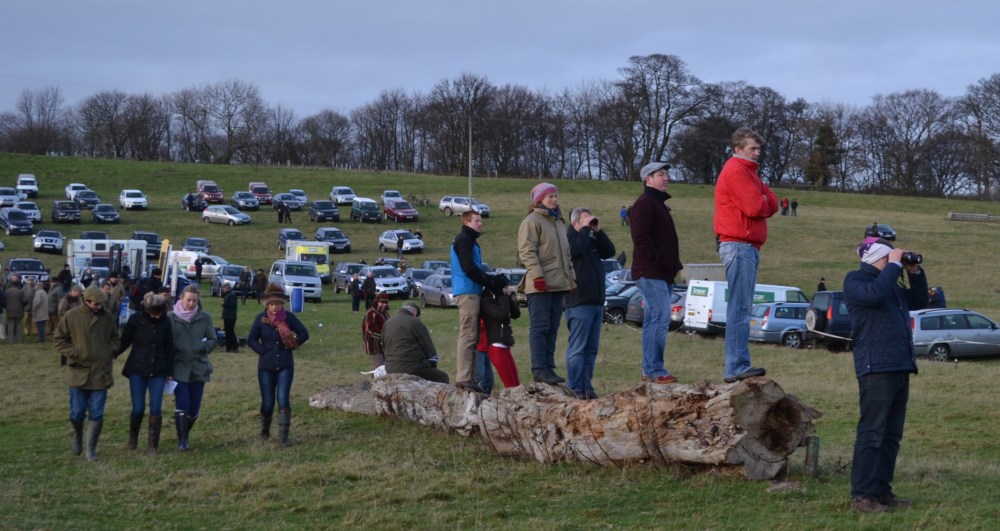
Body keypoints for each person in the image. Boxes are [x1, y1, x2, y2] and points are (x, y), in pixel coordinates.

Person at [844, 237, 927, 513]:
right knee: (872, 433)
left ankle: (881, 491)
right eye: (889, 257)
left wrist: (914, 272)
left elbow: (918, 300)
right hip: (876, 367)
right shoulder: (856, 280)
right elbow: (874, 295)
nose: (896, 262)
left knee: (891, 435)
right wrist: (893, 265)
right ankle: (862, 496)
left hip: (900, 366)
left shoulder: (890, 282)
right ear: (878, 258)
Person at [713, 127, 778, 383]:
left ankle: (738, 365)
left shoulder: (749, 172)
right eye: (752, 148)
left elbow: (772, 201)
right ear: (737, 149)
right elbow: (756, 206)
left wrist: (764, 198)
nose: (756, 152)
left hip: (747, 245)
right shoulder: (737, 171)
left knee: (742, 306)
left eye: (758, 148)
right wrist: (763, 199)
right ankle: (736, 367)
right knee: (740, 308)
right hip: (739, 245)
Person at [630, 163, 684, 384]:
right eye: (661, 174)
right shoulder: (644, 204)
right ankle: (654, 369)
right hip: (651, 272)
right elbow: (641, 239)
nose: (666, 178)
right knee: (660, 319)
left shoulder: (657, 204)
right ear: (648, 180)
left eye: (667, 174)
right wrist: (661, 261)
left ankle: (649, 369)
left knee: (654, 320)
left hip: (661, 273)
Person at [54, 285, 120, 462]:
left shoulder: (108, 318)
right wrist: (75, 353)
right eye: (97, 304)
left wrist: (110, 351)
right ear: (86, 301)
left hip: (101, 373)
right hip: (78, 372)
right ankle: (77, 434)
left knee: (96, 413)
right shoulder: (72, 316)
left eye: (101, 304)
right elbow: (59, 340)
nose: (100, 307)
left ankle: (91, 449)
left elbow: (115, 337)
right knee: (76, 413)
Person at [518, 182, 575, 384]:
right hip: (540, 285)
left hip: (558, 284)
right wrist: (538, 276)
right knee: (540, 327)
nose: (554, 199)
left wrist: (571, 278)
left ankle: (549, 368)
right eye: (550, 196)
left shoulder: (559, 221)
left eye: (555, 196)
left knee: (552, 328)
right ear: (539, 199)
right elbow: (527, 251)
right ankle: (539, 369)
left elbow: (566, 255)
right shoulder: (532, 221)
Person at [248, 284, 309, 446]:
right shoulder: (261, 319)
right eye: (271, 304)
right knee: (268, 403)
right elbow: (251, 339)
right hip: (266, 367)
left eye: (278, 304)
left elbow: (304, 333)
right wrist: (263, 351)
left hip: (285, 365)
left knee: (283, 399)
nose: (275, 307)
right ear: (267, 304)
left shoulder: (289, 318)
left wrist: (293, 343)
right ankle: (265, 430)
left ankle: (283, 437)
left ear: (282, 304)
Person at [565, 207, 616, 399]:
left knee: (591, 348)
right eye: (586, 221)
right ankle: (574, 387)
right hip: (578, 301)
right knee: (578, 347)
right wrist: (585, 231)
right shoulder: (570, 238)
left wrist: (598, 231)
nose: (589, 225)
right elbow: (575, 250)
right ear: (576, 223)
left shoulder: (590, 238)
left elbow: (609, 251)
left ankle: (586, 386)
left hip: (595, 301)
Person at [118, 291, 174, 455]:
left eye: (159, 313)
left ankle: (152, 446)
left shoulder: (166, 322)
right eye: (153, 313)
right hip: (137, 369)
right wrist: (111, 354)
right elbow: (124, 342)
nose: (156, 316)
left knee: (156, 408)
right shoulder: (135, 320)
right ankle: (133, 436)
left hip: (158, 370)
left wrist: (170, 371)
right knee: (138, 408)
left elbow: (169, 347)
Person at [451, 211, 497, 393]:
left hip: (472, 290)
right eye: (477, 220)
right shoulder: (464, 239)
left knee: (473, 335)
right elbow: (469, 268)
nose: (481, 224)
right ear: (467, 222)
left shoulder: (469, 240)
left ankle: (468, 377)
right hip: (468, 291)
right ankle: (464, 377)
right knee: (468, 334)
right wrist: (490, 280)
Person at [168, 284, 217, 452]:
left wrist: (202, 347)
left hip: (198, 368)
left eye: (194, 301)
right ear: (181, 299)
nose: (190, 303)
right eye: (188, 300)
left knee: (194, 408)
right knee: (183, 402)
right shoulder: (170, 317)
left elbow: (213, 339)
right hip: (178, 367)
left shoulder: (205, 317)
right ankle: (183, 442)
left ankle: (183, 433)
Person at [381, 302, 449, 383]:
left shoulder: (387, 323)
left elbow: (383, 346)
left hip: (390, 368)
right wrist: (433, 365)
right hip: (412, 368)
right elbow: (428, 348)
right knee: (442, 377)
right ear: (414, 312)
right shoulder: (415, 322)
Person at [477, 274, 521, 393]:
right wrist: (501, 295)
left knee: (517, 385)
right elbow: (503, 315)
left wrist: (506, 296)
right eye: (504, 287)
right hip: (496, 348)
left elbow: (516, 314)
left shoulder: (499, 297)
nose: (506, 289)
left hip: (505, 346)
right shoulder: (486, 300)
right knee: (510, 386)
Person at [362, 293, 391, 369]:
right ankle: (375, 380)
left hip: (384, 344)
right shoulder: (371, 313)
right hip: (374, 344)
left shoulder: (385, 313)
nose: (384, 304)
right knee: (379, 366)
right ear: (377, 302)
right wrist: (383, 336)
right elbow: (369, 329)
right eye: (382, 302)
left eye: (386, 302)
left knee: (385, 366)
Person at [3, 274, 28, 344]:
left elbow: (3, 302)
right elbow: (25, 301)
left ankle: (10, 340)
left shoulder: (6, 292)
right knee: (18, 325)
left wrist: (6, 307)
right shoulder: (20, 292)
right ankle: (18, 340)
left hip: (9, 311)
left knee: (10, 326)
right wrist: (22, 307)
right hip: (19, 311)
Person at [221, 283, 239, 352]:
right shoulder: (227, 294)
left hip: (231, 317)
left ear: (227, 287)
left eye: (224, 288)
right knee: (227, 332)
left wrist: (224, 304)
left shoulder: (232, 295)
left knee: (230, 332)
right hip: (227, 316)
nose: (223, 289)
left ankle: (235, 347)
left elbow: (232, 304)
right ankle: (229, 347)